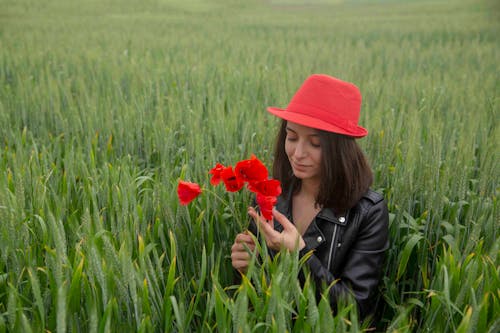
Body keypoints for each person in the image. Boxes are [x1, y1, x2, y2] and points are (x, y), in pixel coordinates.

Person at [230, 74, 389, 321]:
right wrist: (245, 268)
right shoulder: (269, 195)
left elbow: (355, 309)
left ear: (341, 150)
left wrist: (299, 255)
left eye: (315, 143)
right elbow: (258, 298)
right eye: (291, 137)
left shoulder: (368, 212)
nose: (298, 153)